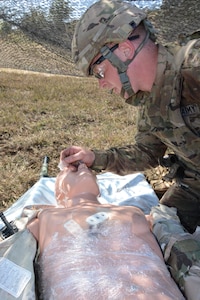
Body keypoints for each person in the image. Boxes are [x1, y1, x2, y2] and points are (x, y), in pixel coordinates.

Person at [61, 0, 200, 235]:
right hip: (195, 183)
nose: (102, 84)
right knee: (159, 231)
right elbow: (146, 153)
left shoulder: (194, 65)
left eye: (100, 72)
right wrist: (95, 158)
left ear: (125, 50)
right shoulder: (150, 103)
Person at [27, 162, 184, 300]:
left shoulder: (132, 211)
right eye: (69, 170)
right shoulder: (46, 218)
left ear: (99, 189)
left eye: (86, 168)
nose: (81, 166)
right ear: (59, 195)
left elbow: (167, 232)